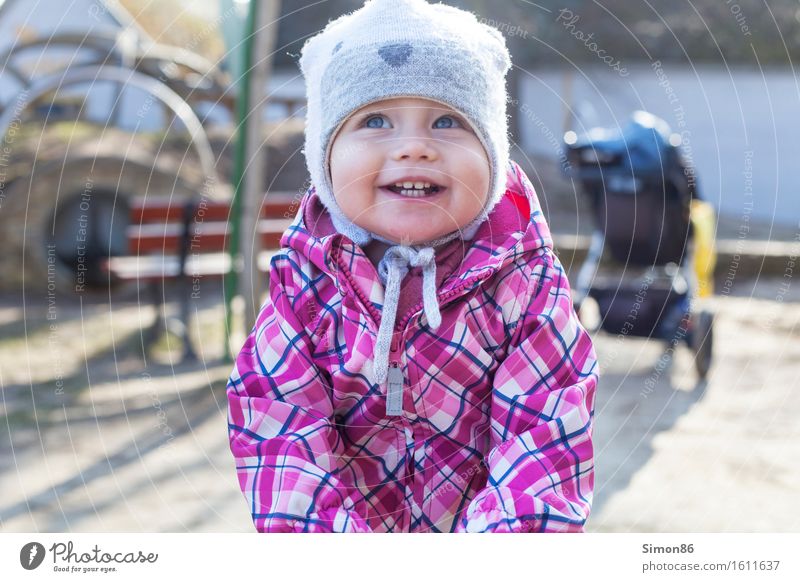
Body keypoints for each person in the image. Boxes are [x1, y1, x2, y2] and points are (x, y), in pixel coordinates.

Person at [226, 0, 598, 533]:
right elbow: (279, 425)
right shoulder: (306, 281)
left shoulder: (523, 281)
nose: (415, 147)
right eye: (374, 120)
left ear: (492, 155)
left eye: (447, 121)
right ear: (324, 158)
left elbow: (544, 435)